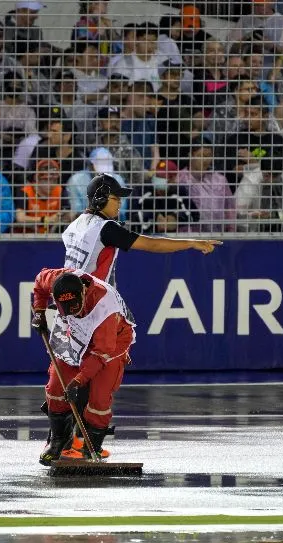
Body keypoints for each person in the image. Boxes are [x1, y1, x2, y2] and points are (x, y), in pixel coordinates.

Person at [30, 268, 135, 465]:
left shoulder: (106, 309)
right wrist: (39, 312)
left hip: (111, 344)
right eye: (65, 308)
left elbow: (99, 355)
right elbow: (38, 284)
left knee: (99, 399)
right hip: (75, 335)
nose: (72, 312)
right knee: (55, 388)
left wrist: (78, 381)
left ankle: (91, 447)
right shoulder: (55, 280)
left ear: (84, 293)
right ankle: (60, 440)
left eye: (75, 306)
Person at [62, 174, 221, 286]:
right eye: (115, 198)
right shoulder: (105, 228)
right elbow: (153, 245)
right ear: (100, 199)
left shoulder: (76, 224)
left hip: (71, 296)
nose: (119, 203)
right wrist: (191, 243)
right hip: (90, 303)